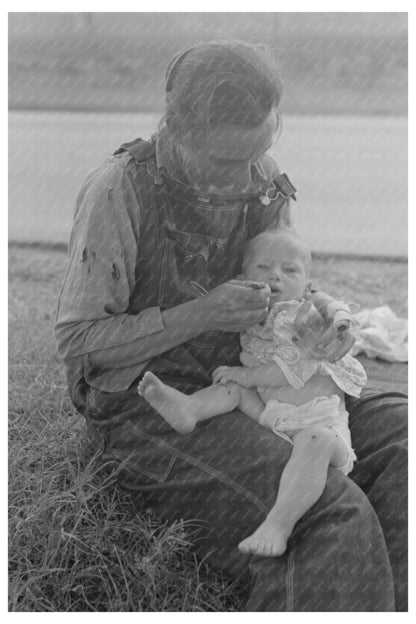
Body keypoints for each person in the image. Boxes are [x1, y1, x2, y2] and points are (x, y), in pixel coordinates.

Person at [55, 40, 407, 611]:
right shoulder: (118, 190)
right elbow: (79, 345)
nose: (247, 178)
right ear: (176, 128)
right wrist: (200, 315)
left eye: (259, 151)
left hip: (266, 381)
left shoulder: (263, 177)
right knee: (327, 514)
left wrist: (320, 319)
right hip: (151, 405)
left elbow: (292, 282)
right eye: (224, 162)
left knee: (405, 441)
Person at [138, 227, 367, 557]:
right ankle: (189, 408)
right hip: (269, 414)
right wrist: (239, 378)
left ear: (306, 283)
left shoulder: (307, 311)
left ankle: (278, 524)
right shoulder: (251, 315)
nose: (275, 275)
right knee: (228, 388)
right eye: (264, 267)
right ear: (243, 277)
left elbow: (294, 364)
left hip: (322, 424)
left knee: (314, 441)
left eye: (289, 270)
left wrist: (341, 317)